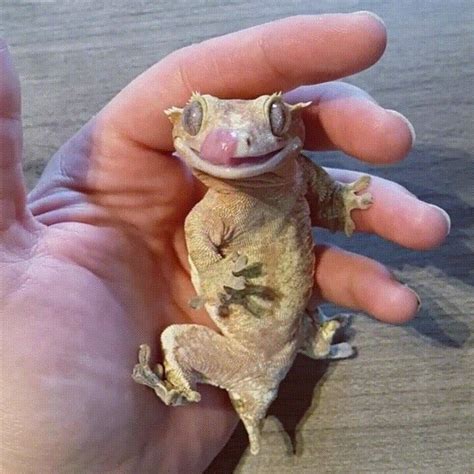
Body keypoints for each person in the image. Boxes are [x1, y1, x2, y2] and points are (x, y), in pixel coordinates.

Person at [0, 12, 450, 473]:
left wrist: (339, 201)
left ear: (293, 127)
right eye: (197, 117)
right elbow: (202, 239)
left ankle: (296, 347)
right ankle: (190, 385)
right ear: (178, 129)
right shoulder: (212, 214)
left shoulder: (295, 173)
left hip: (287, 334)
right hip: (248, 355)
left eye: (273, 117)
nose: (237, 141)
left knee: (189, 337)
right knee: (176, 339)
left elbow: (325, 195)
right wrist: (217, 276)